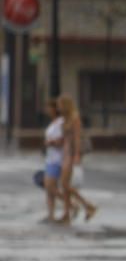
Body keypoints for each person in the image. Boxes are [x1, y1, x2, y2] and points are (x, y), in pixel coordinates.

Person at [56, 94, 97, 223]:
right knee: (64, 186)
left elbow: (77, 138)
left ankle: (88, 205)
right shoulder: (65, 119)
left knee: (65, 184)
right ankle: (66, 214)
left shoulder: (75, 118)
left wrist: (77, 155)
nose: (58, 107)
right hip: (65, 152)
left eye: (60, 105)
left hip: (72, 153)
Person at [41, 99, 64, 223]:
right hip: (50, 158)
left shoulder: (61, 122)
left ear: (55, 109)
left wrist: (51, 142)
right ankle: (51, 215)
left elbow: (63, 140)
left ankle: (70, 205)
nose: (47, 110)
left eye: (49, 107)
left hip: (57, 159)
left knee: (51, 186)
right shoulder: (52, 123)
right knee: (48, 187)